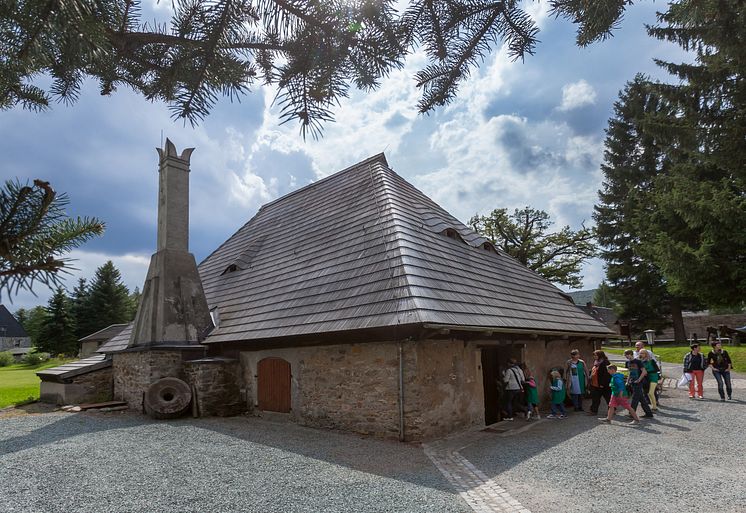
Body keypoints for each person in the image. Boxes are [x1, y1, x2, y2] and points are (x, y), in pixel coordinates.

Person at [624, 350, 654, 417]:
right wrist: (627, 381)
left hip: (638, 382)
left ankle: (631, 414)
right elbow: (630, 372)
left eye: (626, 355)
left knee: (635, 398)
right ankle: (649, 413)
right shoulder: (628, 362)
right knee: (641, 398)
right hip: (632, 382)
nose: (625, 356)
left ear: (630, 354)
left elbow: (644, 372)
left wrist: (639, 380)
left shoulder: (638, 361)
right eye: (625, 355)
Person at [588, 350, 611, 415]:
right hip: (595, 384)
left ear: (600, 355)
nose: (594, 356)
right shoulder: (596, 362)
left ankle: (612, 410)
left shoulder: (605, 362)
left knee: (608, 398)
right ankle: (593, 411)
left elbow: (607, 374)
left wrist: (602, 384)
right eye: (594, 355)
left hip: (603, 385)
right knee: (595, 398)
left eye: (596, 355)